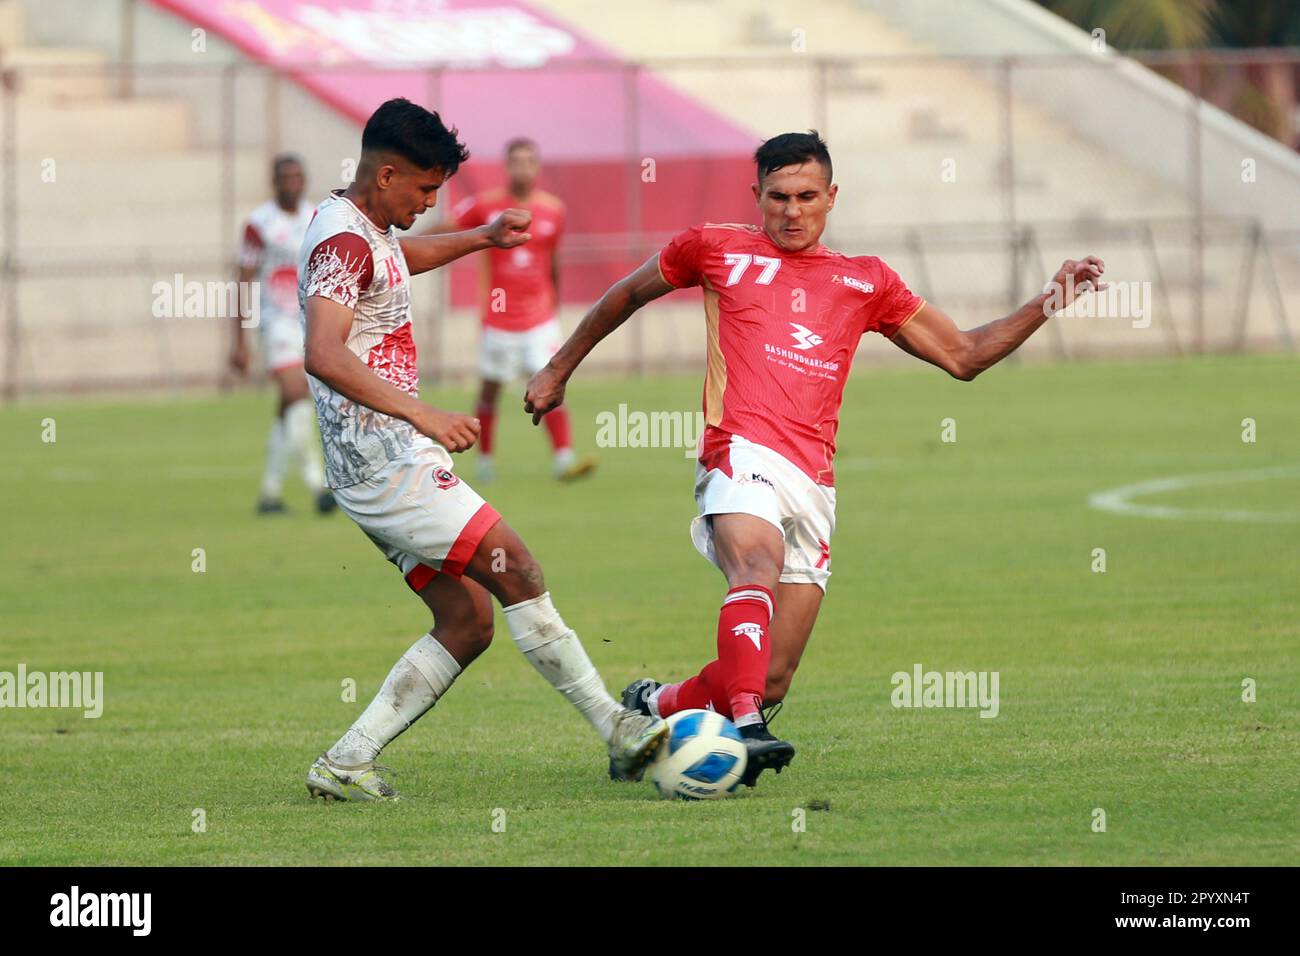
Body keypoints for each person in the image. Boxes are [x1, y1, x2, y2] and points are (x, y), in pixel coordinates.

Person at [525, 130, 1105, 787]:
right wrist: (557, 369)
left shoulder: (866, 281)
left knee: (772, 674)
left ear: (831, 198)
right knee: (757, 565)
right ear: (757, 197)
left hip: (814, 481)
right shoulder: (715, 249)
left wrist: (1049, 299)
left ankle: (653, 705)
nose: (792, 211)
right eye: (778, 197)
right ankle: (745, 726)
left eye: (806, 197)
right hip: (737, 450)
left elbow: (963, 356)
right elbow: (626, 294)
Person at [300, 98, 666, 802]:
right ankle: (617, 729)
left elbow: (397, 259)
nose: (431, 202)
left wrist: (482, 236)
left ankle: (346, 762)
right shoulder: (343, 241)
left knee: (467, 622)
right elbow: (322, 351)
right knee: (518, 567)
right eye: (425, 190)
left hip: (382, 462)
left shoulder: (362, 228)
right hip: (387, 463)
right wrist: (423, 413)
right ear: (386, 175)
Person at [446, 138, 595, 483]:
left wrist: (554, 303)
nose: (523, 168)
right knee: (490, 390)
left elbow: (553, 261)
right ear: (506, 166)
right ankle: (484, 462)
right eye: (516, 161)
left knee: (553, 381)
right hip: (498, 319)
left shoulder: (553, 209)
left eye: (529, 161)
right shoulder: (487, 207)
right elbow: (451, 232)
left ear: (537, 167)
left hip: (539, 318)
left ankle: (563, 457)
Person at [229, 154, 334, 515]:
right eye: (285, 177)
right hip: (276, 323)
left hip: (312, 320)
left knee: (289, 406)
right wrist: (240, 340)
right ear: (273, 182)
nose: (292, 182)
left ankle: (270, 493)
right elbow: (243, 279)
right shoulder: (259, 224)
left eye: (297, 176)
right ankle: (318, 486)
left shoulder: (317, 216)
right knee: (295, 390)